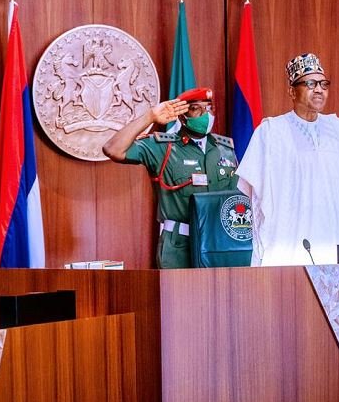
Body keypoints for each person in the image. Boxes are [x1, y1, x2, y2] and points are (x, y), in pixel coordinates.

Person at [236, 53, 339, 266]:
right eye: (310, 83)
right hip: (288, 249)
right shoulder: (271, 132)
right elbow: (253, 190)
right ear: (292, 91)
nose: (318, 89)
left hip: (334, 244)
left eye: (323, 84)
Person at [103, 87, 240, 268]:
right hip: (179, 245)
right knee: (179, 296)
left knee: (221, 296)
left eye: (209, 108)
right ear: (182, 116)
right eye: (196, 109)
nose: (205, 115)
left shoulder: (226, 149)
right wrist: (150, 117)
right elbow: (113, 149)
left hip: (219, 242)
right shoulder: (162, 147)